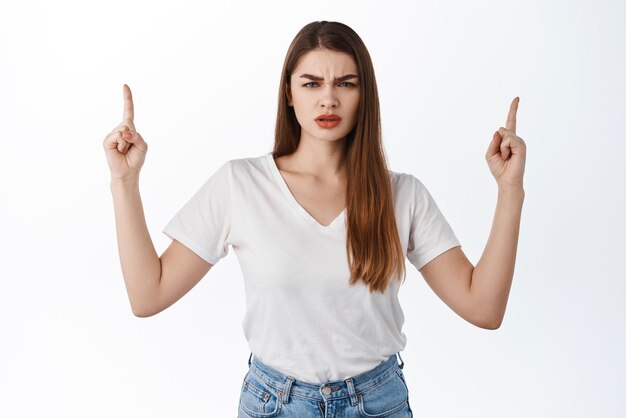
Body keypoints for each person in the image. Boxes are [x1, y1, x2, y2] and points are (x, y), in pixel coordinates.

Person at [103, 20, 526, 418]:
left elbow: (483, 308)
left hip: (377, 403)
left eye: (346, 83)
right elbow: (148, 295)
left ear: (366, 95)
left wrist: (510, 190)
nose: (328, 99)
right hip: (274, 404)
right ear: (289, 93)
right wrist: (124, 182)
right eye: (311, 84)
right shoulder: (240, 184)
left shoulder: (403, 194)